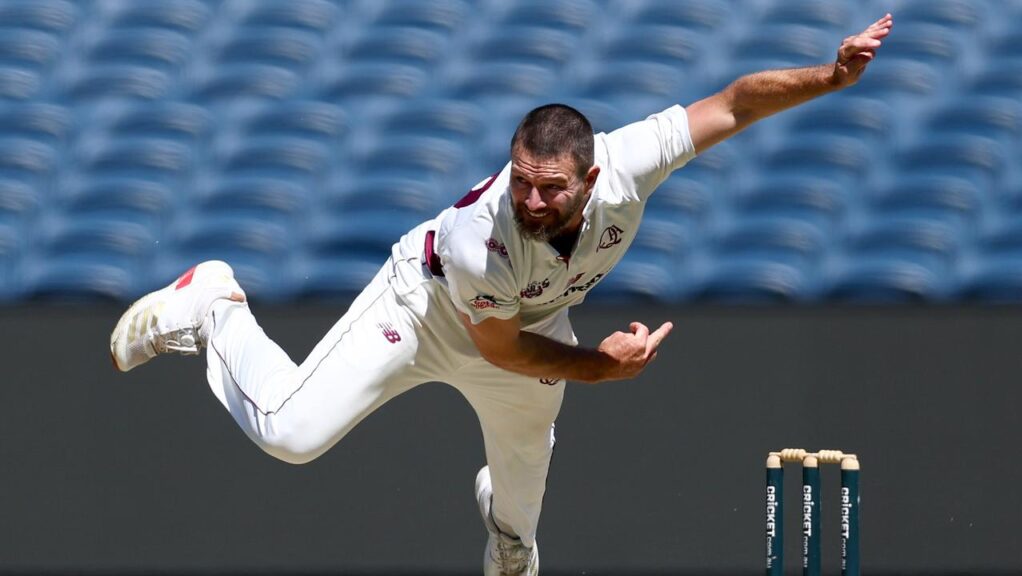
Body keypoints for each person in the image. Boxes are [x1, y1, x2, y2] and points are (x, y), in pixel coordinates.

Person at [110, 14, 893, 575]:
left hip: (530, 326)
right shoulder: (477, 239)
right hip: (422, 314)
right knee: (290, 435)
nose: (530, 200)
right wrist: (602, 369)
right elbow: (501, 349)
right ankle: (215, 304)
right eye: (521, 181)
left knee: (519, 515)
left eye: (550, 189)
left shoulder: (628, 162)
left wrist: (830, 77)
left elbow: (736, 102)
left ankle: (507, 546)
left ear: (590, 177)